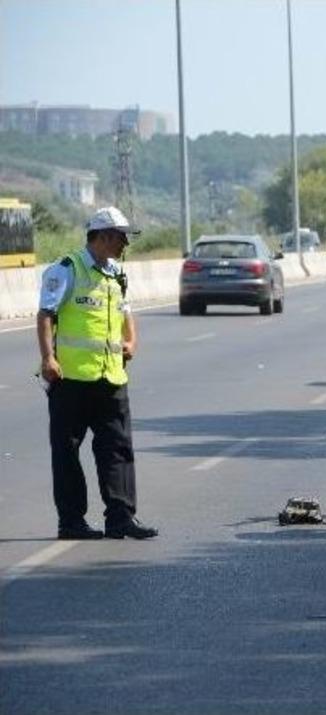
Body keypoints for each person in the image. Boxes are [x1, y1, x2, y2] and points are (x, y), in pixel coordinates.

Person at [37, 206, 158, 540]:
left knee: (117, 449)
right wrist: (48, 358)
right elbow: (45, 314)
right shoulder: (66, 269)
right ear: (103, 236)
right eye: (121, 238)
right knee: (67, 451)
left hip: (111, 377)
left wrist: (131, 341)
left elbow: (125, 311)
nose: (125, 245)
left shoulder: (116, 273)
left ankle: (121, 518)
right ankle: (71, 522)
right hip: (71, 379)